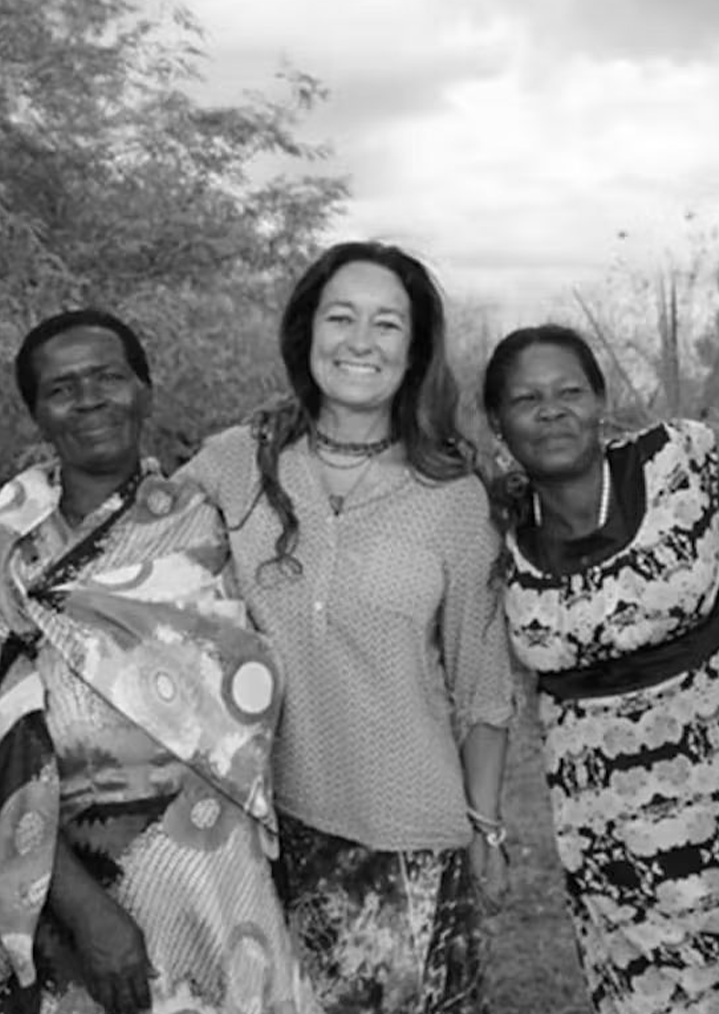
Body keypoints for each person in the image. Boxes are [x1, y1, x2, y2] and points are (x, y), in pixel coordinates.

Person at [177, 241, 516, 1012]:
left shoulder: (454, 497)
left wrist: (486, 828)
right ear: (307, 334)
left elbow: (483, 686)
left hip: (408, 843)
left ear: (416, 349)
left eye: (387, 324)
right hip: (257, 834)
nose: (361, 341)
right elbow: (139, 560)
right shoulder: (237, 463)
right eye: (341, 317)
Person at [0, 309, 319, 1014]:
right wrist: (84, 909)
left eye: (108, 376)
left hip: (218, 864)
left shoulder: (214, 524)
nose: (90, 398)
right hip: (58, 872)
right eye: (62, 388)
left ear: (145, 390)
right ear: (38, 413)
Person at [482, 323, 719, 1014]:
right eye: (527, 398)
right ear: (499, 422)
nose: (551, 409)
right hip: (605, 822)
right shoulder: (493, 526)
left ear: (600, 401)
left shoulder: (683, 459)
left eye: (569, 391)